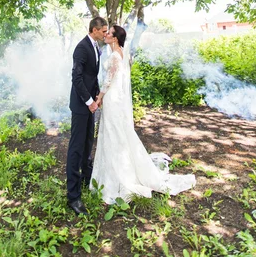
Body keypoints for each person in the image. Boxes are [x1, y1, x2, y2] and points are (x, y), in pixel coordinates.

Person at [91, 25, 196, 204]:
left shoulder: (116, 56)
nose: (106, 35)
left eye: (109, 33)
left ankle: (118, 177)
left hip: (112, 98)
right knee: (116, 134)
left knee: (113, 134)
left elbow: (108, 81)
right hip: (117, 98)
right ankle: (116, 170)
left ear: (115, 38)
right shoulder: (122, 53)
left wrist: (99, 97)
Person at [66, 16, 108, 215]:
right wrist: (89, 102)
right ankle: (73, 197)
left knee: (87, 143)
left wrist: (97, 96)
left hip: (90, 104)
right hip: (81, 106)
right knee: (76, 148)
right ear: (94, 30)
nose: (105, 34)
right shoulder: (81, 48)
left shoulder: (96, 47)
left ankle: (86, 179)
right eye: (103, 31)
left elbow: (92, 78)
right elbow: (77, 78)